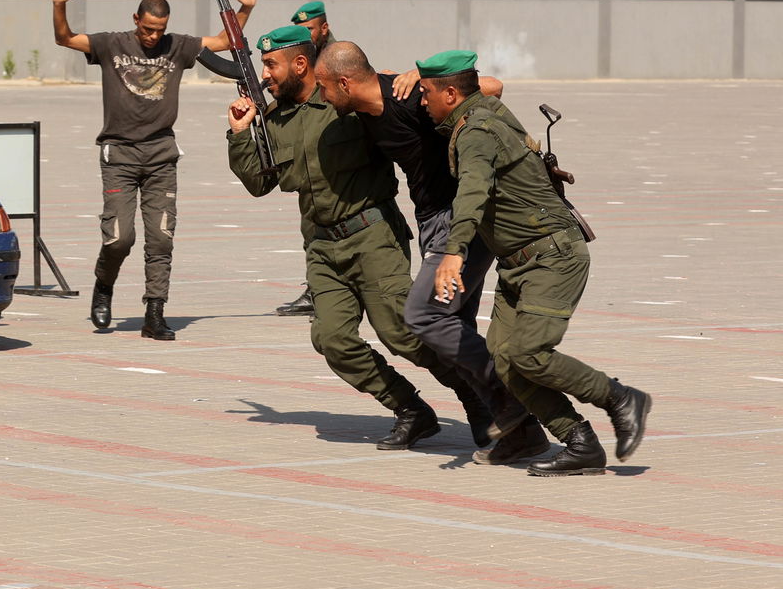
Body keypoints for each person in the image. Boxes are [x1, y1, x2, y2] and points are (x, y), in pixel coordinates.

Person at [227, 27, 490, 450]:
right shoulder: (275, 118)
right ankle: (409, 408)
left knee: (401, 333)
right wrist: (241, 133)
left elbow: (409, 101)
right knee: (331, 339)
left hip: (372, 234)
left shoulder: (345, 101)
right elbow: (259, 183)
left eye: (271, 64)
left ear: (300, 64)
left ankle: (476, 396)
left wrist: (413, 78)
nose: (265, 74)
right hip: (321, 246)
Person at [311, 43, 548, 463]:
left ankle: (515, 406)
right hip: (432, 224)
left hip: (460, 222)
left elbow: (491, 87)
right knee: (454, 327)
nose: (323, 97)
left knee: (424, 315)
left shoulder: (407, 98)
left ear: (345, 84)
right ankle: (518, 431)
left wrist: (422, 77)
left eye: (325, 87)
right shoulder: (365, 110)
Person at [419, 49, 652, 476]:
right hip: (519, 262)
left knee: (528, 353)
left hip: (552, 256)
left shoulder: (476, 132)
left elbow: (472, 191)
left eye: (426, 92)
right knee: (504, 358)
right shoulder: (483, 112)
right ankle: (580, 442)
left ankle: (620, 398)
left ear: (450, 94)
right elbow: (489, 90)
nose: (422, 100)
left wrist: (454, 252)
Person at [51, 0, 258, 340]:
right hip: (119, 155)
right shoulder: (111, 44)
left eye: (159, 30)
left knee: (161, 238)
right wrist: (59, 4)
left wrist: (245, 8)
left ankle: (155, 312)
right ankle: (104, 285)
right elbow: (64, 38)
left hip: (161, 155)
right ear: (136, 20)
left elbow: (225, 42)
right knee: (119, 238)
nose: (153, 36)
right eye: (147, 29)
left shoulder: (178, 46)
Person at [274, 0, 331, 317]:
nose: (305, 34)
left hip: (332, 150)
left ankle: (330, 292)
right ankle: (316, 290)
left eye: (310, 28)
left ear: (324, 28)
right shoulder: (298, 55)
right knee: (311, 228)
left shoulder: (335, 58)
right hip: (308, 154)